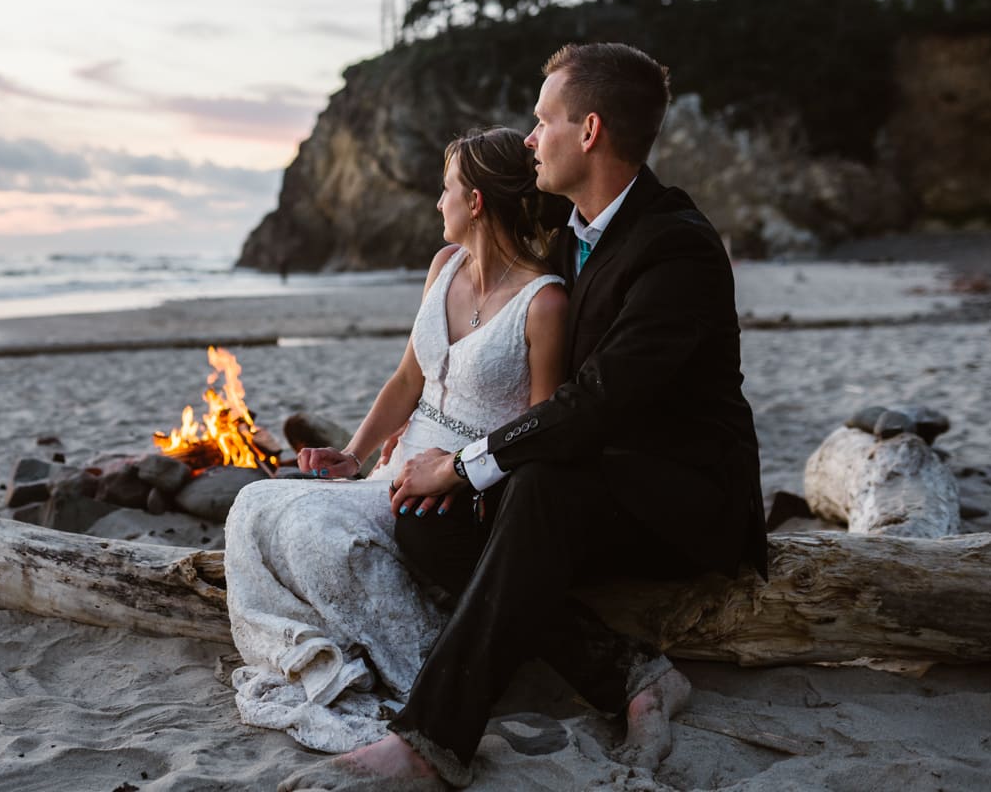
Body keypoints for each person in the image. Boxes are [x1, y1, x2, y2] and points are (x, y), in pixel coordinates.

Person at [279, 43, 768, 791]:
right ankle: (633, 672)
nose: (531, 138)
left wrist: (466, 461)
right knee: (428, 517)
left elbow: (599, 400)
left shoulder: (677, 250)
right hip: (596, 477)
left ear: (591, 130)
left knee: (522, 488)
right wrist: (447, 473)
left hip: (682, 498)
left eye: (544, 121)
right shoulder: (575, 240)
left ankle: (431, 740)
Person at [223, 127, 571, 753]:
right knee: (251, 504)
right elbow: (409, 378)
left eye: (446, 190)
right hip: (395, 470)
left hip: (460, 484)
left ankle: (422, 670)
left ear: (476, 203)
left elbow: (539, 428)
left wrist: (464, 474)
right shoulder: (444, 267)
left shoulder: (543, 302)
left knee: (311, 532)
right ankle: (310, 656)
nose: (437, 202)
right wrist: (353, 456)